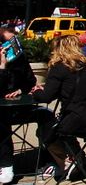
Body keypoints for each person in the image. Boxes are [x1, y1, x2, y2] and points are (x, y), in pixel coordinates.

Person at [31, 35, 86, 180]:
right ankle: (74, 152)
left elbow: (46, 98)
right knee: (57, 123)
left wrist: (36, 91)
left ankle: (68, 158)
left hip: (75, 119)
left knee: (44, 130)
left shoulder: (59, 67)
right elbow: (72, 86)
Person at [0, 27, 56, 184]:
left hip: (21, 107)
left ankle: (49, 159)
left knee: (47, 114)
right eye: (8, 43)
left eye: (14, 42)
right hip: (2, 112)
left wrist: (21, 89)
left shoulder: (20, 59)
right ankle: (6, 165)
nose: (13, 47)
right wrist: (2, 66)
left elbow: (30, 81)